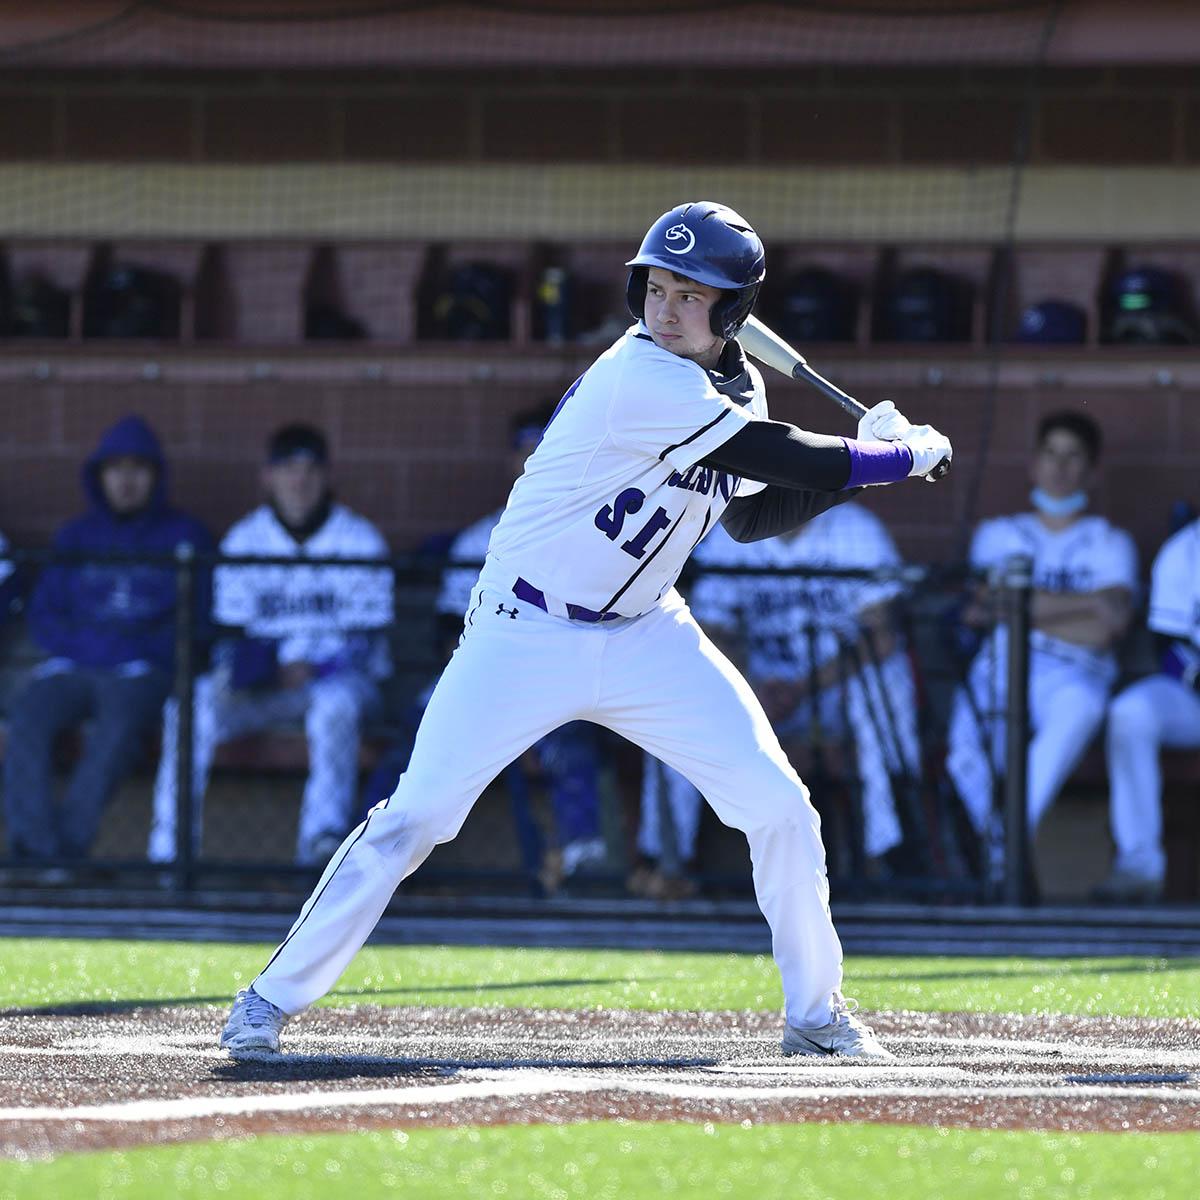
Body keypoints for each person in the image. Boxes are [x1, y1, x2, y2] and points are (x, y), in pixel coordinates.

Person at [218, 200, 951, 1060]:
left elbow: (753, 514)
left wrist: (858, 468)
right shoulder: (638, 376)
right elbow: (782, 456)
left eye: (692, 296)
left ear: (733, 313)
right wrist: (897, 456)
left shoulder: (736, 386)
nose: (666, 309)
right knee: (413, 819)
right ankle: (267, 999)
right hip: (525, 628)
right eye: (658, 288)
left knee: (780, 807)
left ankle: (815, 1012)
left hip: (647, 632)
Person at [360, 407, 607, 892]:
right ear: (513, 459)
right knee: (416, 736)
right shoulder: (480, 537)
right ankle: (372, 852)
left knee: (570, 743)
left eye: (545, 446)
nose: (534, 458)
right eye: (526, 450)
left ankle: (583, 863)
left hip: (554, 679)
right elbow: (448, 631)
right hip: (476, 673)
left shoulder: (596, 531)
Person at [631, 499, 922, 898]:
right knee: (679, 688)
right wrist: (748, 690)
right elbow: (710, 631)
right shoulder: (730, 531)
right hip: (757, 693)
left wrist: (804, 689)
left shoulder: (853, 529)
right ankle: (665, 858)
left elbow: (883, 635)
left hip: (836, 694)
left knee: (885, 677)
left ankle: (888, 850)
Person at [149, 424, 392, 867]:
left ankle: (320, 841)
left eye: (309, 469)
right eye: (288, 469)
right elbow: (229, 635)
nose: (299, 481)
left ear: (326, 475)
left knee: (334, 709)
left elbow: (367, 644)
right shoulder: (245, 539)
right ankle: (170, 849)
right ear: (268, 477)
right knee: (188, 707)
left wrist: (314, 669)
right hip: (263, 686)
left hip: (337, 683)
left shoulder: (358, 539)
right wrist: (256, 670)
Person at [3, 415, 211, 863]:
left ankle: (67, 852)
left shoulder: (184, 535)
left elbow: (196, 623)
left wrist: (128, 651)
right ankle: (36, 849)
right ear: (99, 476)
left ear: (156, 475)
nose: (127, 480)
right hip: (74, 663)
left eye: (139, 468)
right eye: (115, 469)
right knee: (29, 715)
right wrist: (93, 649)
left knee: (115, 730)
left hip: (141, 671)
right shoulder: (77, 535)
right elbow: (44, 614)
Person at [945, 411, 1137, 880]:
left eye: (1073, 457)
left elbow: (1107, 627)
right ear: (1033, 463)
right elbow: (981, 609)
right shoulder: (999, 533)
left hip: (1076, 670)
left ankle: (1002, 845)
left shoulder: (1110, 542)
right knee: (964, 752)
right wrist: (1085, 603)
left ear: (1091, 471)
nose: (1060, 467)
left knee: (1081, 709)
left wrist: (1018, 608)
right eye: (1051, 453)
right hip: (1002, 662)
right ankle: (996, 854)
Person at [1096, 516, 1200, 902]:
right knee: (1132, 712)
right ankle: (1140, 864)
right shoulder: (1186, 550)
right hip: (1193, 695)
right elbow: (1167, 646)